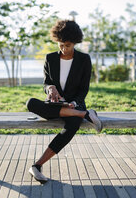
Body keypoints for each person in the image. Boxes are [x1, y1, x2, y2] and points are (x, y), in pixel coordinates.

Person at [26, 20, 102, 184]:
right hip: (56, 105)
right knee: (30, 103)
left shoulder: (84, 59)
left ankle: (37, 165)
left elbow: (83, 89)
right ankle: (86, 115)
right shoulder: (50, 58)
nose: (63, 48)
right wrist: (51, 88)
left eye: (67, 45)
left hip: (75, 104)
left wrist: (74, 103)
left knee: (73, 123)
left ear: (75, 42)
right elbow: (46, 83)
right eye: (61, 44)